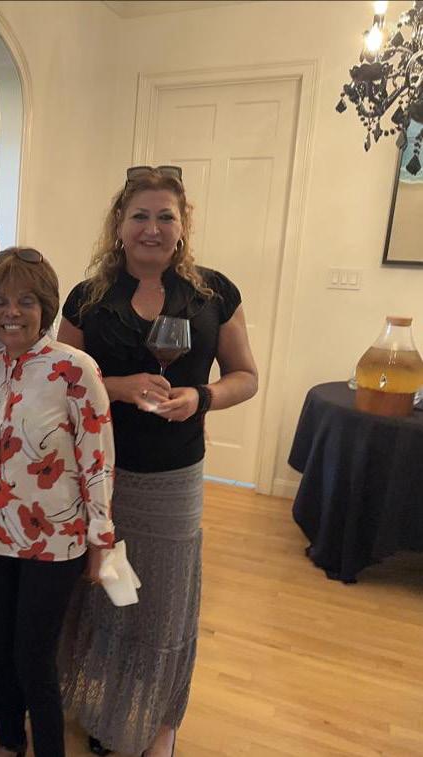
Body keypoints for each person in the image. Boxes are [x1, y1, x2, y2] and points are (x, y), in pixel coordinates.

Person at [57, 165, 258, 757]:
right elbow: (60, 380)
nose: (152, 227)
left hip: (174, 477)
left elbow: (246, 376)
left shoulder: (214, 294)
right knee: (109, 593)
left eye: (164, 216)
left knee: (164, 606)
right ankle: (109, 711)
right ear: (119, 225)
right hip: (102, 474)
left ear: (182, 224)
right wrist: (118, 388)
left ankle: (162, 725)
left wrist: (202, 397)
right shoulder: (88, 298)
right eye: (139, 215)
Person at [0, 247, 115, 757]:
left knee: (34, 657)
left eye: (26, 301)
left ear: (46, 307)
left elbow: (98, 459)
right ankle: (9, 744)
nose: (12, 312)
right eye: (0, 301)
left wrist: (101, 538)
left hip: (54, 539)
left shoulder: (76, 368)